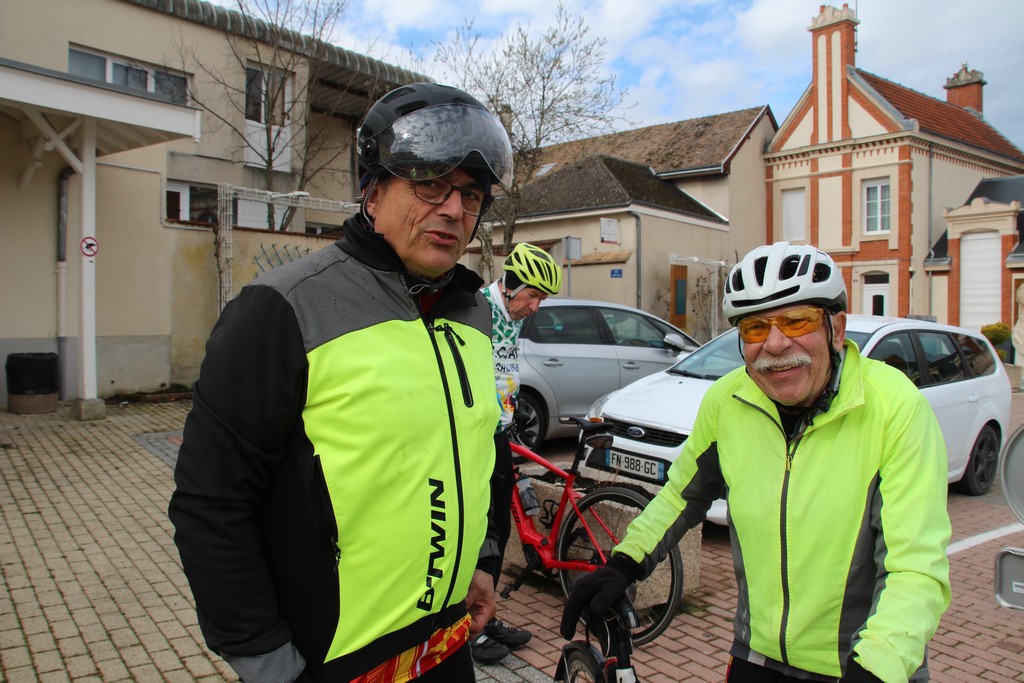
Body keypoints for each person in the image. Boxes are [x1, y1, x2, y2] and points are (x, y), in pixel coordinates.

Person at [169, 82, 515, 683]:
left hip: (444, 644)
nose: (454, 210)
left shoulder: (473, 314)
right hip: (332, 660)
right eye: (430, 183)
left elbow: (481, 448)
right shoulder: (281, 309)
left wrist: (484, 560)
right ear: (372, 194)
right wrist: (265, 660)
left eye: (471, 194)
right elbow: (211, 500)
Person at [562, 242, 952, 682]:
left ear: (836, 328)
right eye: (755, 327)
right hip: (758, 654)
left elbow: (915, 565)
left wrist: (881, 663)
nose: (776, 343)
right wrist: (624, 562)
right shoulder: (727, 401)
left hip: (860, 665)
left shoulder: (894, 406)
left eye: (797, 320)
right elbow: (681, 496)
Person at [471, 242, 562, 665]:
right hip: (474, 440)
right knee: (475, 534)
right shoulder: (477, 310)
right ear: (510, 285)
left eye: (541, 299)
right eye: (533, 296)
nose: (536, 307)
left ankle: (485, 614)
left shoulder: (511, 316)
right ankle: (465, 629)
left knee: (498, 530)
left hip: (500, 434)